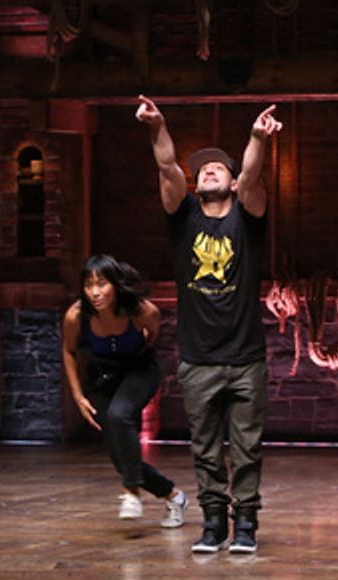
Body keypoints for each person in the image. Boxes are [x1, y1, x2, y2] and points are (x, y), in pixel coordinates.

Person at [135, 95, 282, 554]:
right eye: (203, 170)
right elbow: (167, 170)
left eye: (219, 167)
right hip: (198, 359)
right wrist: (158, 127)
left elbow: (255, 175)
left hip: (245, 359)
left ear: (234, 181)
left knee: (246, 448)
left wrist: (257, 137)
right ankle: (213, 524)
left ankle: (247, 527)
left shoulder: (248, 215)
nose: (209, 171)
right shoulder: (183, 219)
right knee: (203, 449)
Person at [61, 255, 189, 528]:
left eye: (102, 284)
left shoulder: (143, 312)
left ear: (116, 285)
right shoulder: (76, 315)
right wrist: (78, 396)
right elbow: (69, 351)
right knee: (122, 459)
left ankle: (131, 493)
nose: (95, 292)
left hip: (138, 369)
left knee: (120, 415)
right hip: (102, 378)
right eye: (88, 285)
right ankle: (174, 496)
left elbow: (150, 339)